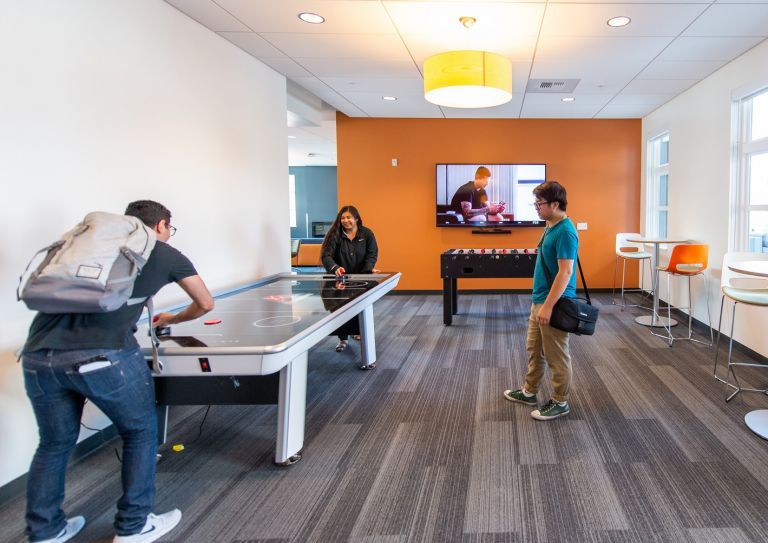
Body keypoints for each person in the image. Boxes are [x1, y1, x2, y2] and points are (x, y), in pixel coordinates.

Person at [21, 200, 214, 543]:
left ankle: (45, 530)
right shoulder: (164, 252)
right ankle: (134, 526)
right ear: (161, 226)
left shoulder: (88, 248)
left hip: (38, 355)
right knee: (140, 431)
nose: (169, 234)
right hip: (102, 355)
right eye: (170, 228)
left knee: (53, 444)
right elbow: (205, 303)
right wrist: (173, 319)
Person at [503, 181, 578, 420]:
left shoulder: (566, 231)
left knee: (557, 356)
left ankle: (560, 401)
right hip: (540, 301)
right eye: (535, 203)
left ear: (555, 204)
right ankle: (529, 391)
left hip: (553, 304)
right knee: (534, 349)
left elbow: (565, 272)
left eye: (540, 203)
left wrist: (547, 306)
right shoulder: (550, 226)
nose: (536, 207)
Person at [320, 205, 378, 354]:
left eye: (349, 217)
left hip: (361, 279)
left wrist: (368, 269)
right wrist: (335, 268)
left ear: (356, 218)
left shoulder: (367, 233)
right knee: (339, 308)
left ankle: (357, 332)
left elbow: (372, 254)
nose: (346, 221)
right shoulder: (335, 235)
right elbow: (326, 256)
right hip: (339, 279)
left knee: (359, 307)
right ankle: (343, 339)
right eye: (343, 218)